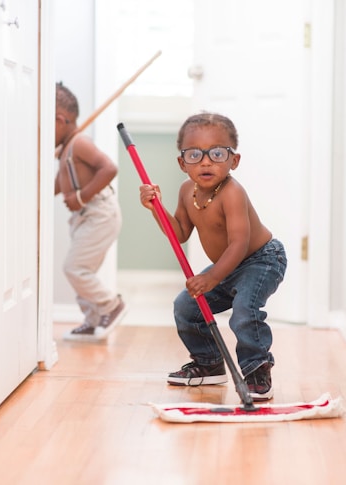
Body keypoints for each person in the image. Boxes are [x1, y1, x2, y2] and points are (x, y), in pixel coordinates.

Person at [139, 112, 287, 401]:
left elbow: (239, 244)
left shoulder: (233, 193)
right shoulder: (187, 191)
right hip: (227, 266)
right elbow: (179, 232)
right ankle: (209, 363)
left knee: (245, 310)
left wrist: (211, 277)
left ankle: (256, 369)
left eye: (217, 153)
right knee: (186, 306)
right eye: (194, 154)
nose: (206, 161)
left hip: (261, 260)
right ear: (182, 163)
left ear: (234, 160)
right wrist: (156, 207)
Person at [55, 82, 126, 341]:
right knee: (82, 269)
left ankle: (110, 305)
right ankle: (93, 317)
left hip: (99, 212)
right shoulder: (65, 149)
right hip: (83, 216)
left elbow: (109, 168)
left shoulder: (79, 144)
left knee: (74, 268)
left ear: (60, 120)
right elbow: (60, 182)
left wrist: (80, 197)